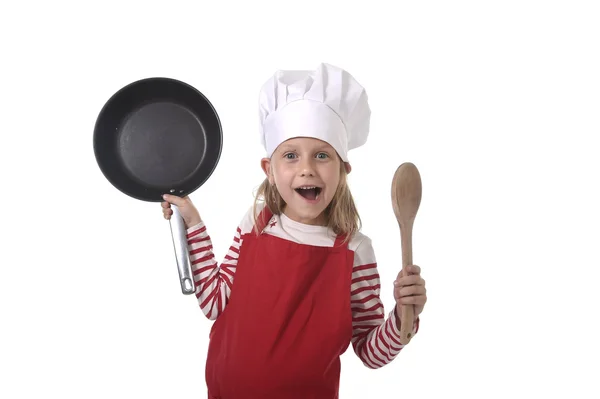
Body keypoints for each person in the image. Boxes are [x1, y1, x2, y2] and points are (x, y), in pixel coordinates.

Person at [161, 63, 427, 398]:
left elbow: (370, 352)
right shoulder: (256, 224)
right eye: (290, 155)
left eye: (321, 155)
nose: (306, 169)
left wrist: (404, 316)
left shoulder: (354, 251)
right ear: (269, 170)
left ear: (343, 170)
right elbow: (213, 302)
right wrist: (192, 223)